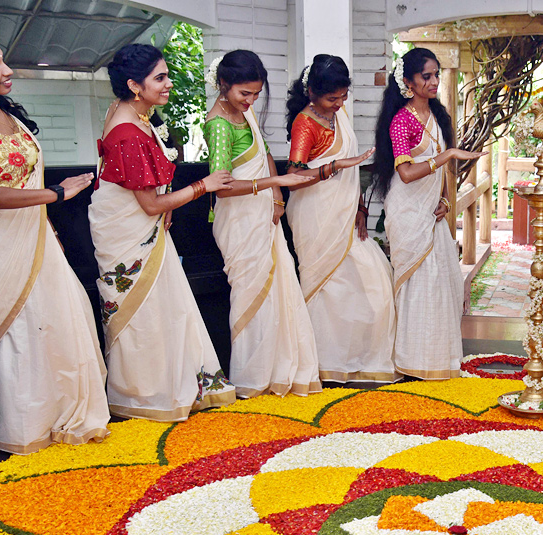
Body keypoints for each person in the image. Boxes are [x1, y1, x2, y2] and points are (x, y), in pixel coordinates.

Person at [0, 29, 108, 453]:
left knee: (60, 319)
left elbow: (26, 178)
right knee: (20, 331)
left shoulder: (8, 116)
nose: (7, 71)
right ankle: (25, 427)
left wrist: (50, 230)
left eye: (2, 61)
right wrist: (58, 194)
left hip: (36, 236)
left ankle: (66, 417)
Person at [90, 43, 236, 420]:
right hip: (128, 232)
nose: (169, 83)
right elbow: (151, 205)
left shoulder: (136, 116)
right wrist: (205, 185)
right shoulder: (128, 131)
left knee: (161, 310)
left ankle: (163, 386)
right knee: (143, 313)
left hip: (142, 228)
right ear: (134, 86)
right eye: (161, 77)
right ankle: (146, 394)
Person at [203, 50, 320, 398]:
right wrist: (274, 185)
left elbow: (265, 152)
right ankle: (252, 376)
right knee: (250, 295)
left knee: (278, 291)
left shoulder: (244, 113)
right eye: (244, 94)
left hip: (263, 214)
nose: (251, 101)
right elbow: (221, 188)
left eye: (256, 94)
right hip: (238, 221)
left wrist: (277, 200)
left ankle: (280, 369)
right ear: (224, 86)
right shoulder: (219, 125)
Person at [286, 54, 399, 383]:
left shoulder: (339, 115)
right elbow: (294, 175)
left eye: (343, 96)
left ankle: (362, 360)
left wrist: (360, 208)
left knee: (375, 282)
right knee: (331, 290)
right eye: (331, 98)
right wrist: (335, 167)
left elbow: (351, 173)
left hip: (346, 214)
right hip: (316, 218)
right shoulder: (304, 124)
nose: (338, 103)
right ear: (312, 93)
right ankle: (323, 364)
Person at [373, 47, 484, 380]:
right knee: (418, 284)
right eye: (427, 76)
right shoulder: (400, 121)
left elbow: (441, 174)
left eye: (436, 74)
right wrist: (448, 153)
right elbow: (406, 173)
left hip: (431, 214)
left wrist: (447, 202)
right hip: (407, 213)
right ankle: (411, 360)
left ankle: (438, 358)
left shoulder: (438, 116)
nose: (434, 81)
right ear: (408, 81)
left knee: (441, 282)